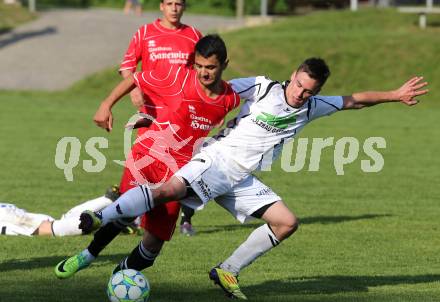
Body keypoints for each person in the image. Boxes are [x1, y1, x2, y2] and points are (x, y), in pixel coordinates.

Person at [72, 57, 428, 299]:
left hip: (240, 179)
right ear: (294, 74)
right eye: (299, 85)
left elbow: (355, 100)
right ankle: (100, 216)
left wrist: (394, 95)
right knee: (167, 191)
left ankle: (227, 271)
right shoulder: (262, 88)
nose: (299, 94)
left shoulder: (312, 107)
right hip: (215, 159)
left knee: (286, 222)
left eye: (308, 91)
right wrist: (170, 116)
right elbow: (212, 92)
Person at [55, 35, 240, 279]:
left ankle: (120, 277)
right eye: (199, 66)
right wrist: (106, 104)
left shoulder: (231, 98)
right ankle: (87, 255)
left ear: (225, 64)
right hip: (149, 157)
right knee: (125, 211)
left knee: (154, 243)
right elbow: (136, 78)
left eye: (211, 67)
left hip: (180, 175)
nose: (203, 73)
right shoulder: (178, 77)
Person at [120, 0, 202, 237]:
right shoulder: (145, 33)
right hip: (152, 114)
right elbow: (127, 66)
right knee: (144, 165)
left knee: (183, 168)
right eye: (169, 3)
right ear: (161, 6)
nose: (174, 8)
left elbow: (205, 72)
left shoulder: (194, 35)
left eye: (179, 3)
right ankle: (135, 216)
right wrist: (134, 89)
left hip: (184, 115)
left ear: (184, 6)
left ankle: (185, 219)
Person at [0, 186, 132, 236]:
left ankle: (111, 219)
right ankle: (108, 200)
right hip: (9, 211)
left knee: (53, 229)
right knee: (59, 223)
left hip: (10, 217)